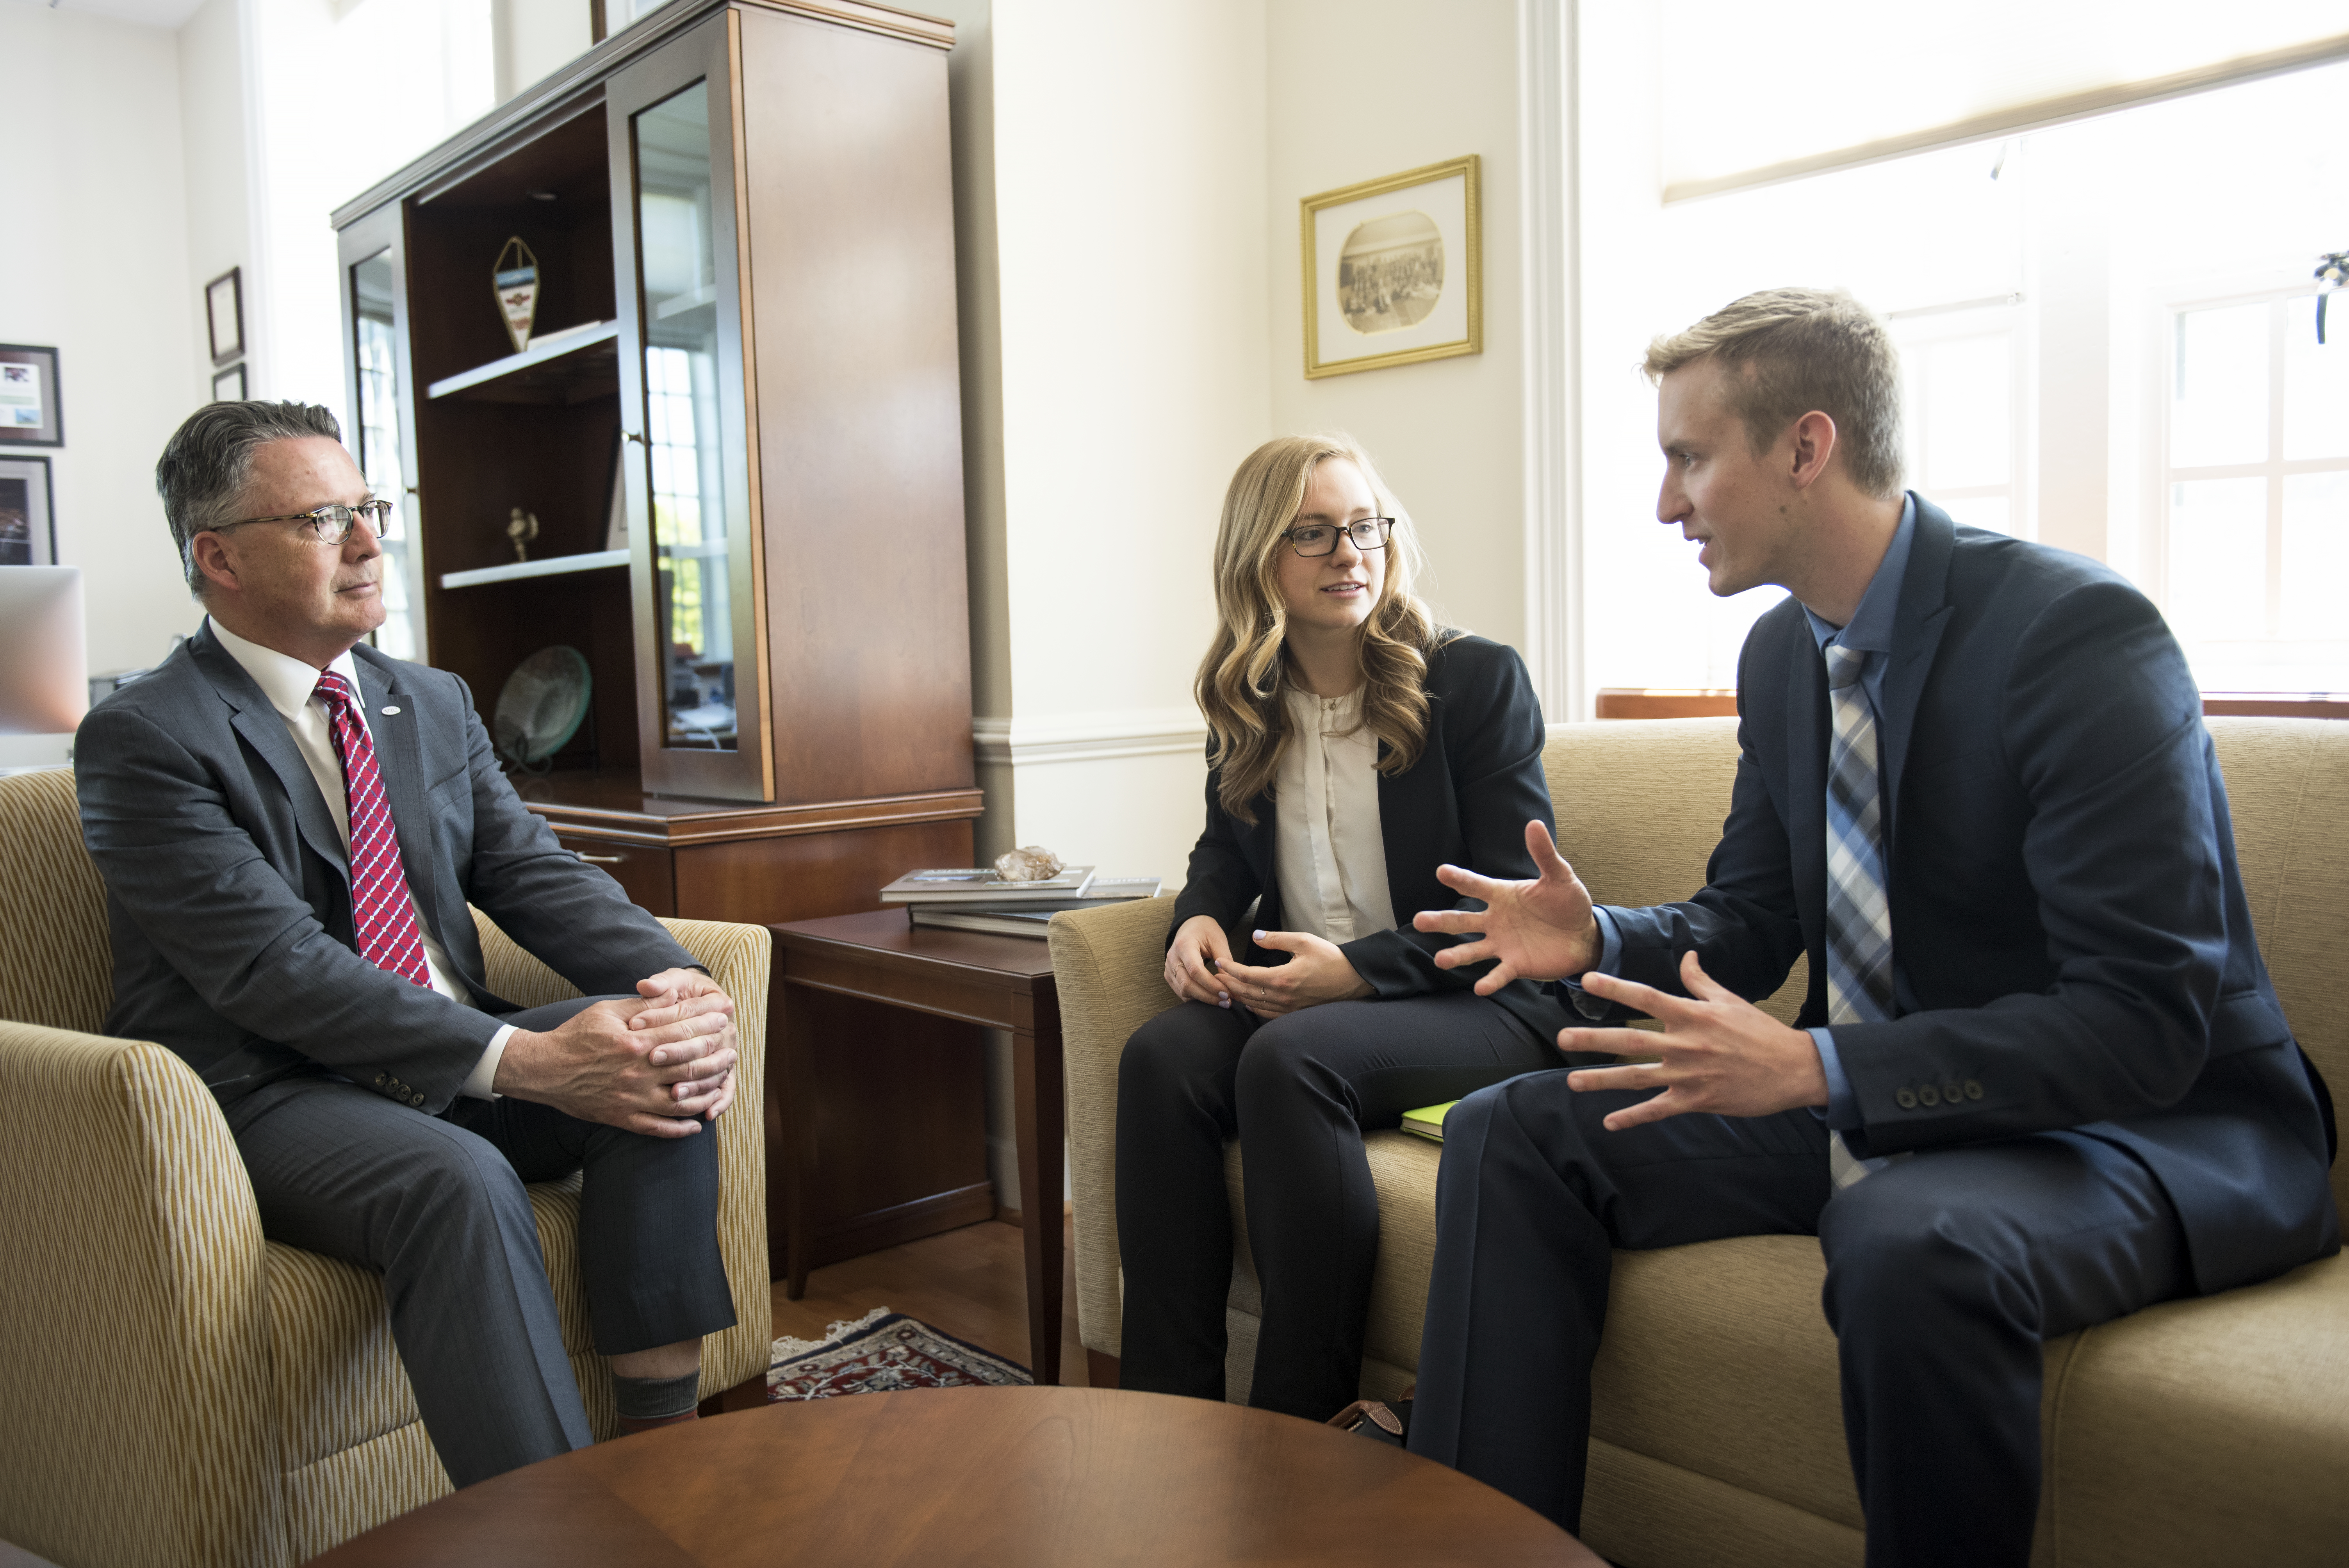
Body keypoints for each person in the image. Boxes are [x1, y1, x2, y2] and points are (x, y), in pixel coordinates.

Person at [1402, 288, 2338, 1566]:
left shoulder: (2076, 636)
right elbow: (1744, 923)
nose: (1664, 504)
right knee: (1516, 1127)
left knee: (1908, 1240)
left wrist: (1820, 1067)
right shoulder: (1783, 658)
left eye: (1687, 458)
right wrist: (1600, 937)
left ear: (1804, 445)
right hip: (1880, 1090)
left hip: (2149, 1121)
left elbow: (2144, 1020)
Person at [77, 401, 744, 1488]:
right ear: (219, 557)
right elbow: (271, 969)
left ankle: (666, 1458)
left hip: (446, 1051)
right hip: (270, 1089)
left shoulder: (425, 700)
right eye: (321, 519)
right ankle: (556, 1524)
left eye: (369, 509)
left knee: (652, 1060)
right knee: (459, 1179)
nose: (369, 541)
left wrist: (674, 980)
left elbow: (530, 871)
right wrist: (526, 1060)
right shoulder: (146, 736)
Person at [1115, 433, 1580, 1421]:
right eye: (1314, 533)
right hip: (1312, 996)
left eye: (1364, 526)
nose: (1349, 553)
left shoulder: (1475, 682)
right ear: (1259, 559)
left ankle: (1298, 1431)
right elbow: (1223, 852)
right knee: (1159, 1060)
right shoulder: (1246, 698)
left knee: (1290, 1059)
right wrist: (1197, 918)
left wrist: (1359, 974)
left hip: (1478, 997)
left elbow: (1506, 902)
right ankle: (1165, 1420)